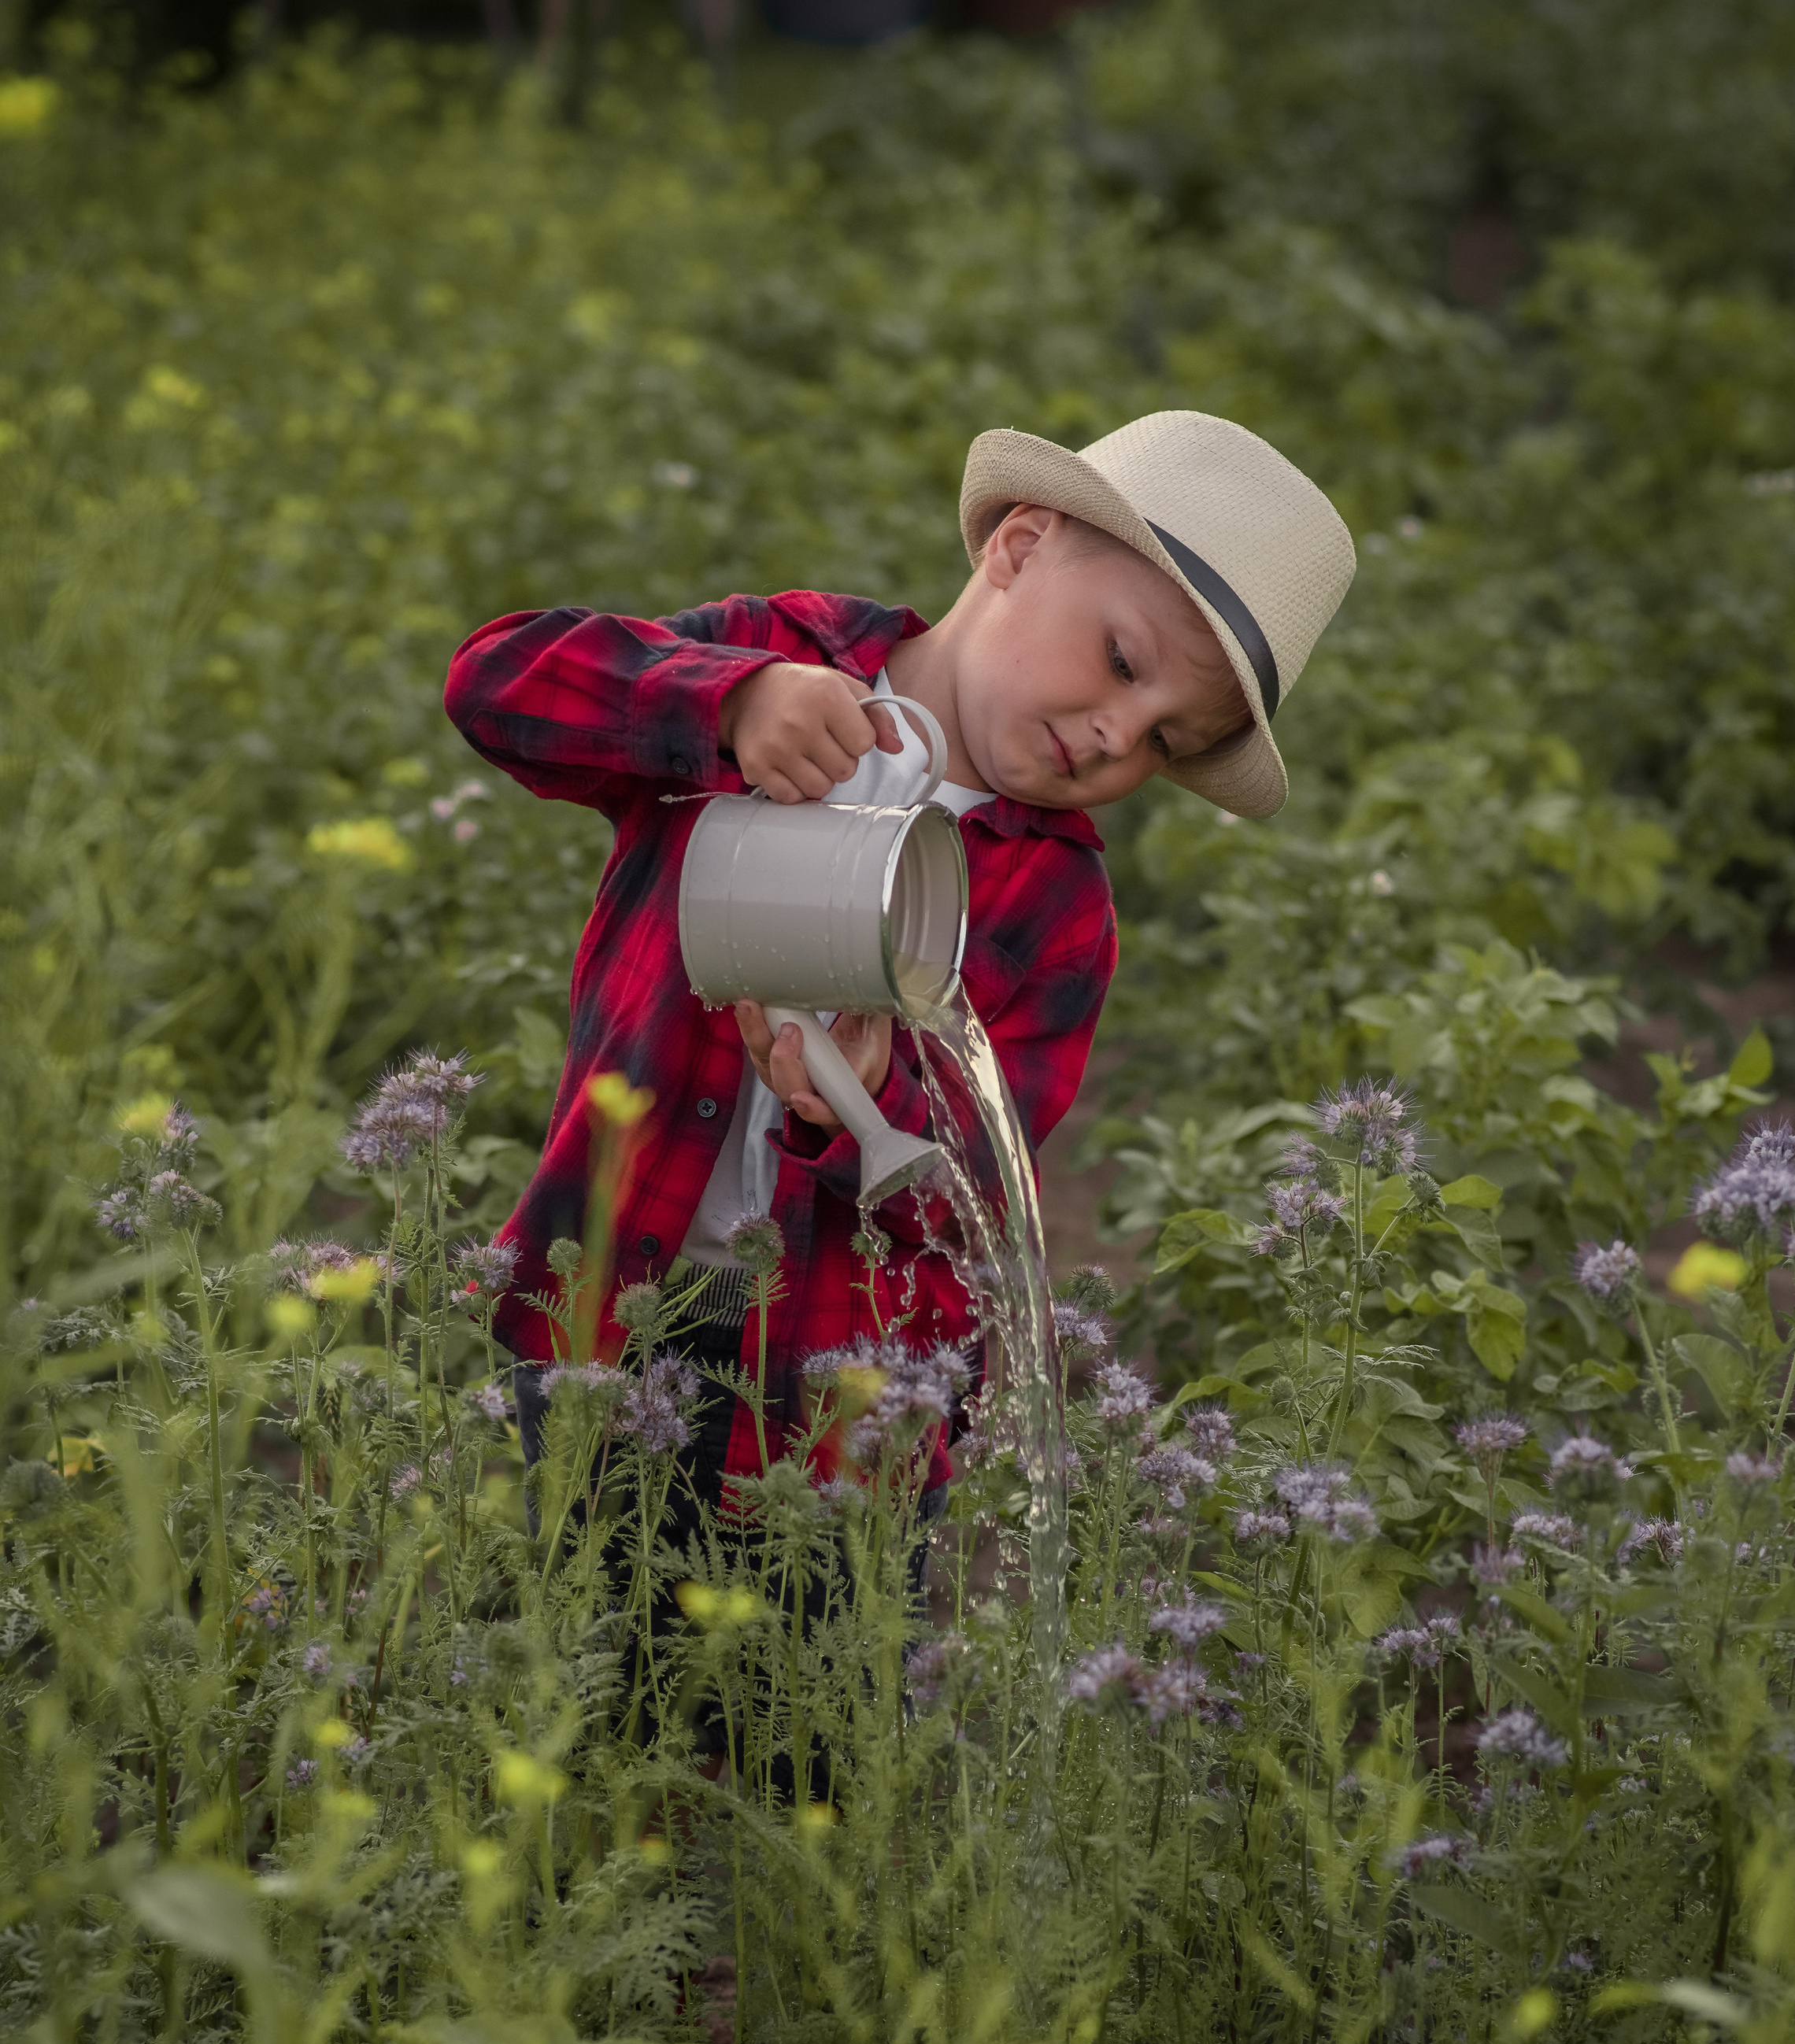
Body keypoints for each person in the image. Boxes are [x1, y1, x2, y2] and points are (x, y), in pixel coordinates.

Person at [445, 409, 1357, 1539]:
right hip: (611, 1295)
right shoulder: (780, 661)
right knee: (591, 1641)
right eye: (1124, 661)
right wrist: (725, 703)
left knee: (805, 1692)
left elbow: (979, 1186)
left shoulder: (1056, 904)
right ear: (1018, 548)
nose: (1121, 732)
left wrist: (874, 1111)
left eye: (1167, 741)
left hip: (836, 1393)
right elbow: (498, 685)